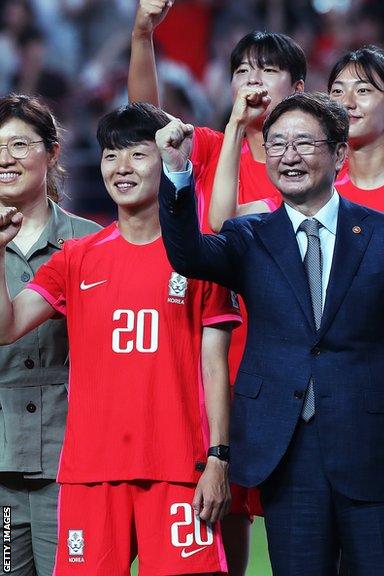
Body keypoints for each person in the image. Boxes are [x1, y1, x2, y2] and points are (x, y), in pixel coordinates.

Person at [157, 91, 384, 575]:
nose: (288, 156)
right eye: (275, 144)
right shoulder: (248, 236)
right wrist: (176, 173)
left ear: (338, 154)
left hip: (376, 451)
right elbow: (188, 255)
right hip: (286, 454)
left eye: (303, 143)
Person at [0, 102, 239, 575]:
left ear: (166, 158)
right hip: (92, 472)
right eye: (110, 155)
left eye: (136, 153)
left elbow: (216, 367)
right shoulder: (78, 257)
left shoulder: (201, 259)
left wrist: (218, 459)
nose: (121, 167)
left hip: (177, 468)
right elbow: (6, 328)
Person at [129, 2, 307, 564]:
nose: (253, 79)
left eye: (268, 68)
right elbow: (145, 117)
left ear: (297, 87)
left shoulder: (314, 162)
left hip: (286, 352)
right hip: (217, 349)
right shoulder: (205, 146)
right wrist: (141, 34)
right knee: (222, 516)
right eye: (242, 69)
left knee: (295, 514)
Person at [0, 94, 100, 576]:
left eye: (20, 144)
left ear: (53, 152)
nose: (5, 158)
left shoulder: (90, 243)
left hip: (71, 459)